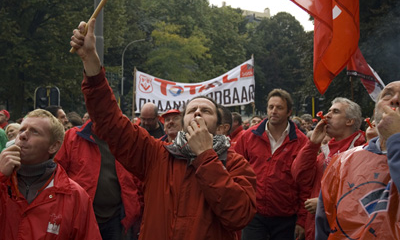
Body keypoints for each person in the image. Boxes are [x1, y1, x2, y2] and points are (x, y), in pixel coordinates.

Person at [70, 19, 257, 240]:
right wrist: (91, 61)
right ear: (183, 121)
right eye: (192, 110)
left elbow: (238, 216)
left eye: (205, 111)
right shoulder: (157, 154)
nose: (197, 113)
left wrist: (206, 157)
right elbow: (111, 123)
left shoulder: (235, 164)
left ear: (219, 126)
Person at [315, 81, 400, 239]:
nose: (395, 100)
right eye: (387, 94)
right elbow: (324, 224)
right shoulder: (341, 162)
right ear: (376, 112)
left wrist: (396, 139)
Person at [0, 109, 101, 239]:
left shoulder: (74, 196)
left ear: (53, 146)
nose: (23, 136)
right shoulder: (3, 180)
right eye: (22, 130)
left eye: (35, 131)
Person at [235, 88, 308, 240]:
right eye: (271, 107)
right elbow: (235, 171)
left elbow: (306, 183)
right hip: (254, 215)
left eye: (279, 107)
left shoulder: (302, 142)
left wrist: (302, 219)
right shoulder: (248, 136)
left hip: (286, 218)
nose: (274, 111)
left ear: (289, 112)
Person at [55, 118, 143, 240]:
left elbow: (137, 179)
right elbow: (57, 174)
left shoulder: (124, 142)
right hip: (82, 217)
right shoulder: (72, 137)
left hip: (117, 218)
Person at [291, 97, 365, 240]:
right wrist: (312, 144)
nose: (326, 116)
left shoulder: (361, 151)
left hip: (344, 232)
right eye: (328, 111)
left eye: (335, 112)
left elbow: (360, 195)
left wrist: (323, 204)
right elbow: (300, 176)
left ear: (350, 121)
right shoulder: (326, 151)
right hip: (318, 228)